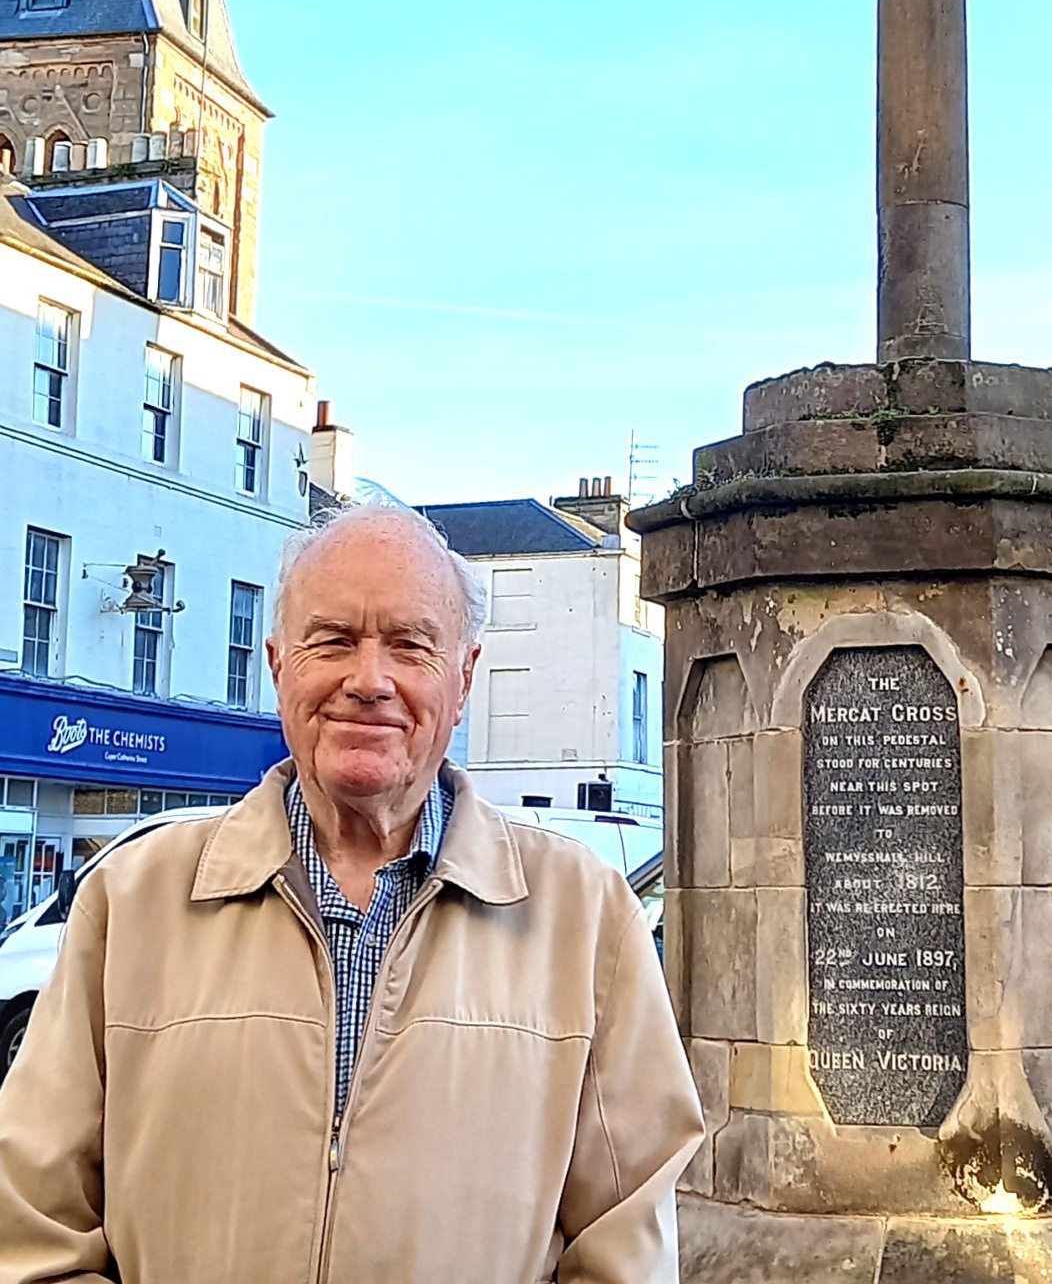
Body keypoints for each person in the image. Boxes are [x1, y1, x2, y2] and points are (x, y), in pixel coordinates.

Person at [0, 502, 703, 1282]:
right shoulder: (130, 903)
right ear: (277, 665)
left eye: (409, 645)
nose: (369, 680)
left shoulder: (585, 916)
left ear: (463, 677)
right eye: (333, 640)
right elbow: (33, 1228)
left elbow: (626, 1243)